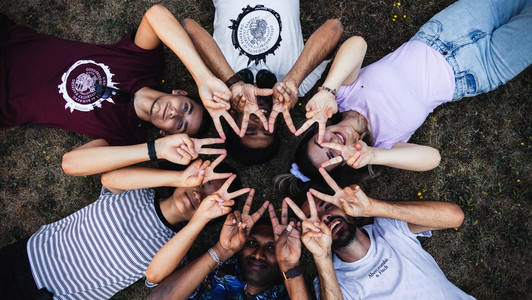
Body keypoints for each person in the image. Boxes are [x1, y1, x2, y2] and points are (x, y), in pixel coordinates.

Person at [277, 0, 532, 193]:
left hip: (444, 32)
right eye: (332, 155)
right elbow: (432, 158)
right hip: (479, 71)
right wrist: (374, 156)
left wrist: (327, 90)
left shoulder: (342, 96)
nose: (331, 143)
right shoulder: (384, 145)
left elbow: (358, 44)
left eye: (320, 142)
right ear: (345, 164)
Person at [0, 156, 249, 299]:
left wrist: (201, 218)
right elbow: (109, 179)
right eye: (205, 182)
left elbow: (154, 276)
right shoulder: (140, 189)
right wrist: (179, 177)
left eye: (212, 196)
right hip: (25, 259)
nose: (199, 193)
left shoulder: (178, 248)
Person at [0, 4, 234, 147]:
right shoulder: (145, 65)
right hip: (10, 41)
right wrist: (203, 78)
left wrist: (157, 149)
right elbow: (156, 14)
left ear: (167, 134)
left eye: (180, 125)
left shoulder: (125, 136)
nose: (173, 114)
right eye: (185, 107)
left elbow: (73, 164)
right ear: (180, 93)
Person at [181, 0, 343, 164]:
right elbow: (334, 27)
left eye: (251, 129)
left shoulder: (214, 83)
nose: (261, 121)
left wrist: (232, 82)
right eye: (267, 130)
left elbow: (188, 27)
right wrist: (293, 79)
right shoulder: (300, 87)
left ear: (232, 116)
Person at [286, 168, 473, 299]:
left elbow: (454, 217)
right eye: (314, 220)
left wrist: (372, 208)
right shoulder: (332, 281)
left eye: (328, 206)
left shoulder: (389, 228)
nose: (325, 216)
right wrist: (322, 256)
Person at [147, 194, 313, 300]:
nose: (259, 254)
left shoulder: (291, 294)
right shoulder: (213, 274)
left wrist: (290, 265)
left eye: (271, 248)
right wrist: (221, 250)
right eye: (252, 243)